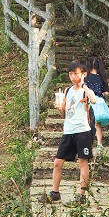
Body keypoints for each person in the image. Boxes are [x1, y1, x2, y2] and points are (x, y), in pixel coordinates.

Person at [42, 60, 98, 204]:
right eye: (71, 74)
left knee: (82, 162)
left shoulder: (86, 91)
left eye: (76, 74)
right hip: (68, 131)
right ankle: (55, 193)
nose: (73, 77)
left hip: (83, 131)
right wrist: (60, 108)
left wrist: (84, 84)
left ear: (84, 74)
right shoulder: (67, 91)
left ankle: (81, 195)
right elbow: (64, 115)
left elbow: (94, 100)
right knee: (57, 162)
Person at [85, 57, 109, 153]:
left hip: (89, 101)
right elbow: (107, 92)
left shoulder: (86, 77)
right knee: (97, 123)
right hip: (100, 101)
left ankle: (88, 143)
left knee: (89, 121)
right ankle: (100, 144)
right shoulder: (102, 77)